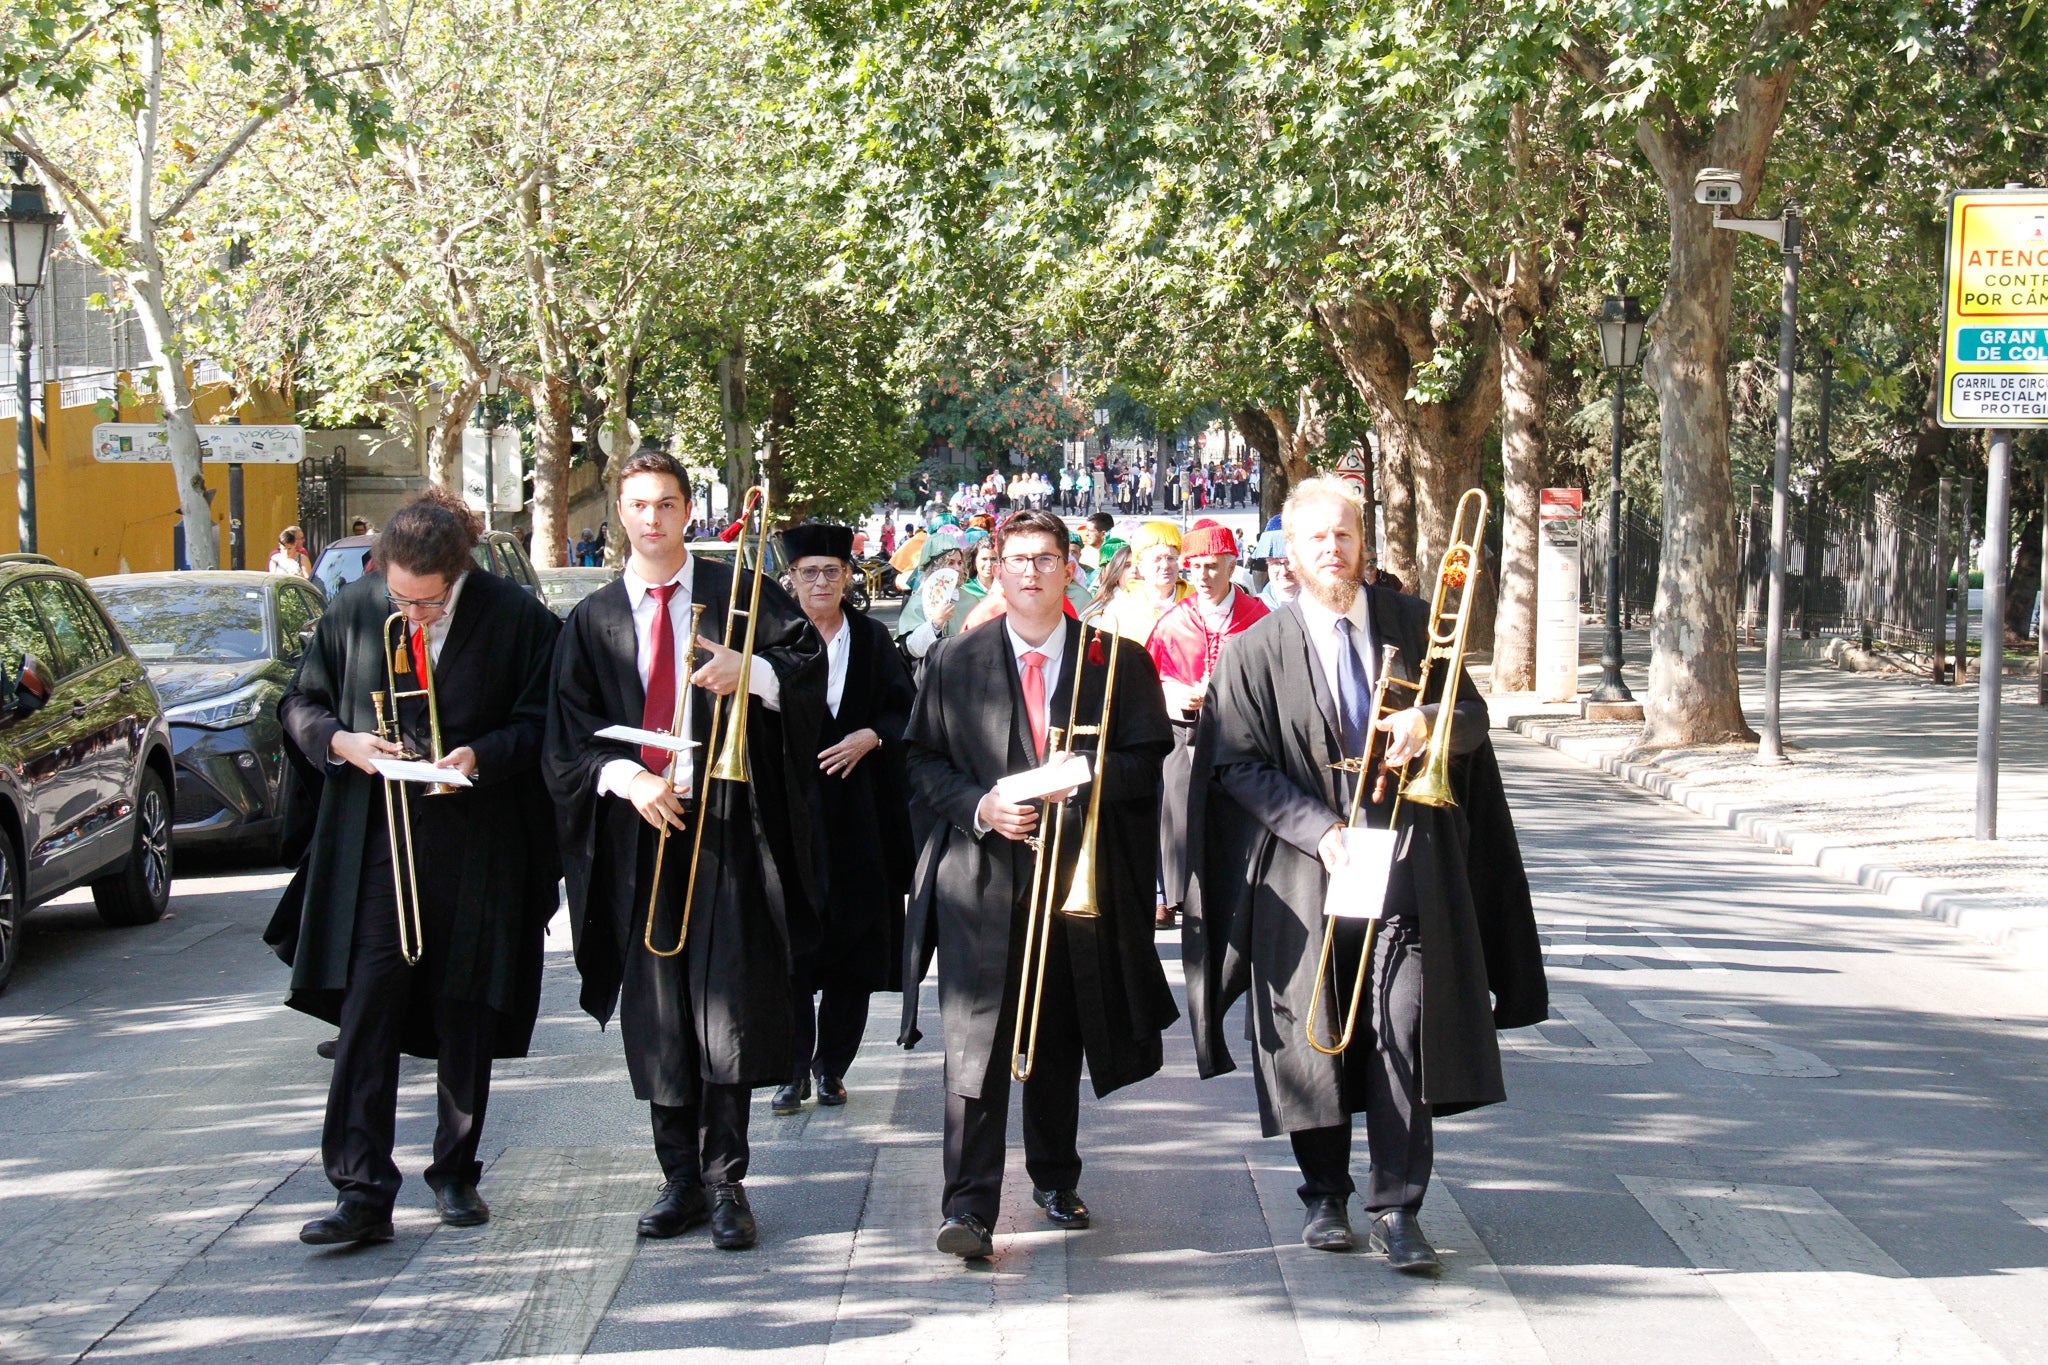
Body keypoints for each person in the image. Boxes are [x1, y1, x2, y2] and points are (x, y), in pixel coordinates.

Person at [1181, 475, 1546, 1273]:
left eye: (1344, 535)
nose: (1333, 550)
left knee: (1402, 1024)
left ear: (1362, 542)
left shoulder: (1415, 623)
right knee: (1311, 1037)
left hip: (1405, 863)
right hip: (1308, 872)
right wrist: (1320, 830)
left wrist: (1431, 723)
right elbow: (1236, 766)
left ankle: (1398, 1205)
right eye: (1317, 539)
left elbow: (1474, 718)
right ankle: (1324, 1194)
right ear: (1291, 554)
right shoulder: (1254, 650)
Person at [543, 449, 825, 1252]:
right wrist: (627, 778)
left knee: (725, 1005)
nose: (653, 519)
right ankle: (677, 1176)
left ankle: (725, 1178)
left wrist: (755, 669)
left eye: (667, 503)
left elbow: (807, 680)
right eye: (638, 505)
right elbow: (565, 739)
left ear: (689, 511)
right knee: (660, 1010)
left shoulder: (744, 595)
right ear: (620, 515)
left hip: (728, 819)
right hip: (643, 829)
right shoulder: (593, 619)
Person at [265, 489, 562, 1246]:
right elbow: (300, 703)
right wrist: (344, 742)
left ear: (458, 574)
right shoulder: (357, 605)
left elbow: (543, 722)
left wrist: (481, 754)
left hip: (477, 837)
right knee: (370, 1007)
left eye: (428, 605)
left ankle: (456, 1171)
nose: (413, 616)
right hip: (376, 839)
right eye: (402, 599)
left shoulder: (517, 616)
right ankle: (361, 1188)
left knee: (466, 1003)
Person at [902, 509, 1178, 1260]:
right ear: (995, 567)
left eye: (1047, 558)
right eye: (1017, 558)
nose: (1031, 571)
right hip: (981, 878)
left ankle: (1055, 1175)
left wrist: (1080, 775)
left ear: (1069, 569)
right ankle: (969, 1205)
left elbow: (1149, 761)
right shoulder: (956, 662)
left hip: (1072, 877)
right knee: (975, 1041)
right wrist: (981, 805)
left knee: (1056, 1033)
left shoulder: (1116, 661)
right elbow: (922, 764)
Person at [773, 524, 915, 1116]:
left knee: (853, 947)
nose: (822, 581)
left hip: (859, 814)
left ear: (849, 576)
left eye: (832, 571)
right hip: (790, 813)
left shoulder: (873, 638)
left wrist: (871, 736)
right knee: (790, 947)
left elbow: (907, 708)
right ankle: (789, 1069)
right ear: (791, 579)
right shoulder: (769, 639)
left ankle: (832, 1067)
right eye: (809, 571)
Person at [1145, 519, 1267, 929]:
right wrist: (1171, 693)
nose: (1203, 576)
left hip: (1242, 732)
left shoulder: (1258, 617)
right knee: (1174, 802)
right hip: (1184, 731)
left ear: (1232, 566)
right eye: (1195, 566)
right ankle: (1175, 894)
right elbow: (1150, 677)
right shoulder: (1172, 621)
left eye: (1213, 566)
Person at [1098, 521, 1190, 644]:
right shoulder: (1121, 609)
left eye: (1171, 558)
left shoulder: (1196, 600)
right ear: (1140, 566)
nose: (1165, 565)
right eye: (1157, 559)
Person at [893, 527, 967, 666]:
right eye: (950, 563)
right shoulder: (918, 601)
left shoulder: (969, 598)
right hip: (930, 676)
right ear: (935, 567)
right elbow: (911, 649)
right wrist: (936, 623)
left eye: (959, 562)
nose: (957, 568)